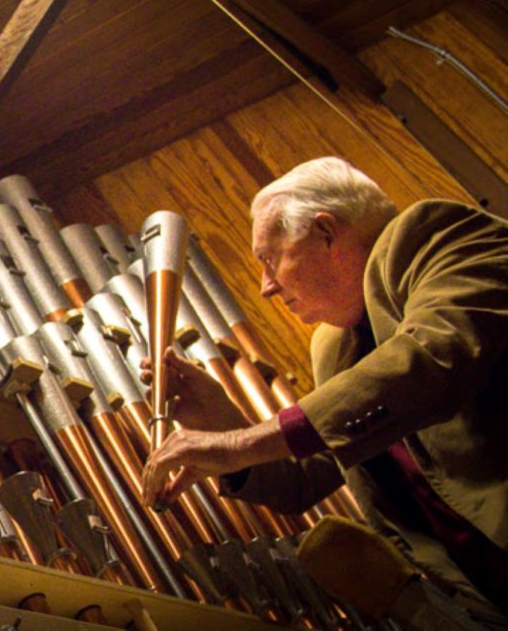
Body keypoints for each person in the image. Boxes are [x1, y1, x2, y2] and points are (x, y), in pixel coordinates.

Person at [139, 157, 508, 611]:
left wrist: (240, 443)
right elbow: (305, 479)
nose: (266, 287)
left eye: (269, 260)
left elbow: (431, 359)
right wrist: (220, 422)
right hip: (476, 596)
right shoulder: (334, 346)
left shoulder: (435, 236)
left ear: (327, 233)